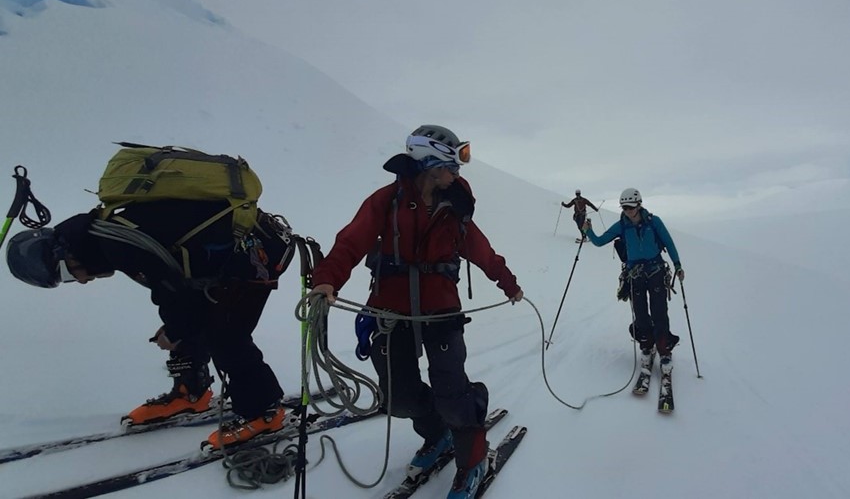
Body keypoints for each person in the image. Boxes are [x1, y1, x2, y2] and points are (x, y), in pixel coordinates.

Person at [308, 124, 523, 499]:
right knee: (399, 397)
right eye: (451, 166)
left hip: (441, 312)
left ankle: (473, 460)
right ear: (430, 163)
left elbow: (482, 250)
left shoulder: (455, 208)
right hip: (391, 312)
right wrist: (327, 280)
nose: (457, 174)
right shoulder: (387, 200)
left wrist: (508, 282)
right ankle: (437, 434)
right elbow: (351, 240)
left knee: (453, 395)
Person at [5, 200, 288, 450]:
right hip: (230, 253)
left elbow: (174, 294)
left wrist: (175, 331)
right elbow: (176, 290)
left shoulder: (116, 242)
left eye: (66, 272)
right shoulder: (106, 234)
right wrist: (176, 328)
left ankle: (262, 411)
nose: (79, 280)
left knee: (224, 333)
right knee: (194, 317)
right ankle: (192, 392)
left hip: (256, 252)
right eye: (66, 279)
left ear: (64, 251)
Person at [582, 188, 684, 376]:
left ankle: (663, 349)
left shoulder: (654, 222)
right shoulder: (621, 225)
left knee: (659, 311)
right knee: (640, 312)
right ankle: (646, 345)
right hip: (635, 275)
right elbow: (599, 241)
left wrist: (677, 265)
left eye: (630, 206)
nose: (627, 210)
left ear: (639, 204)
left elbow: (669, 243)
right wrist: (588, 231)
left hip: (656, 271)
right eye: (624, 207)